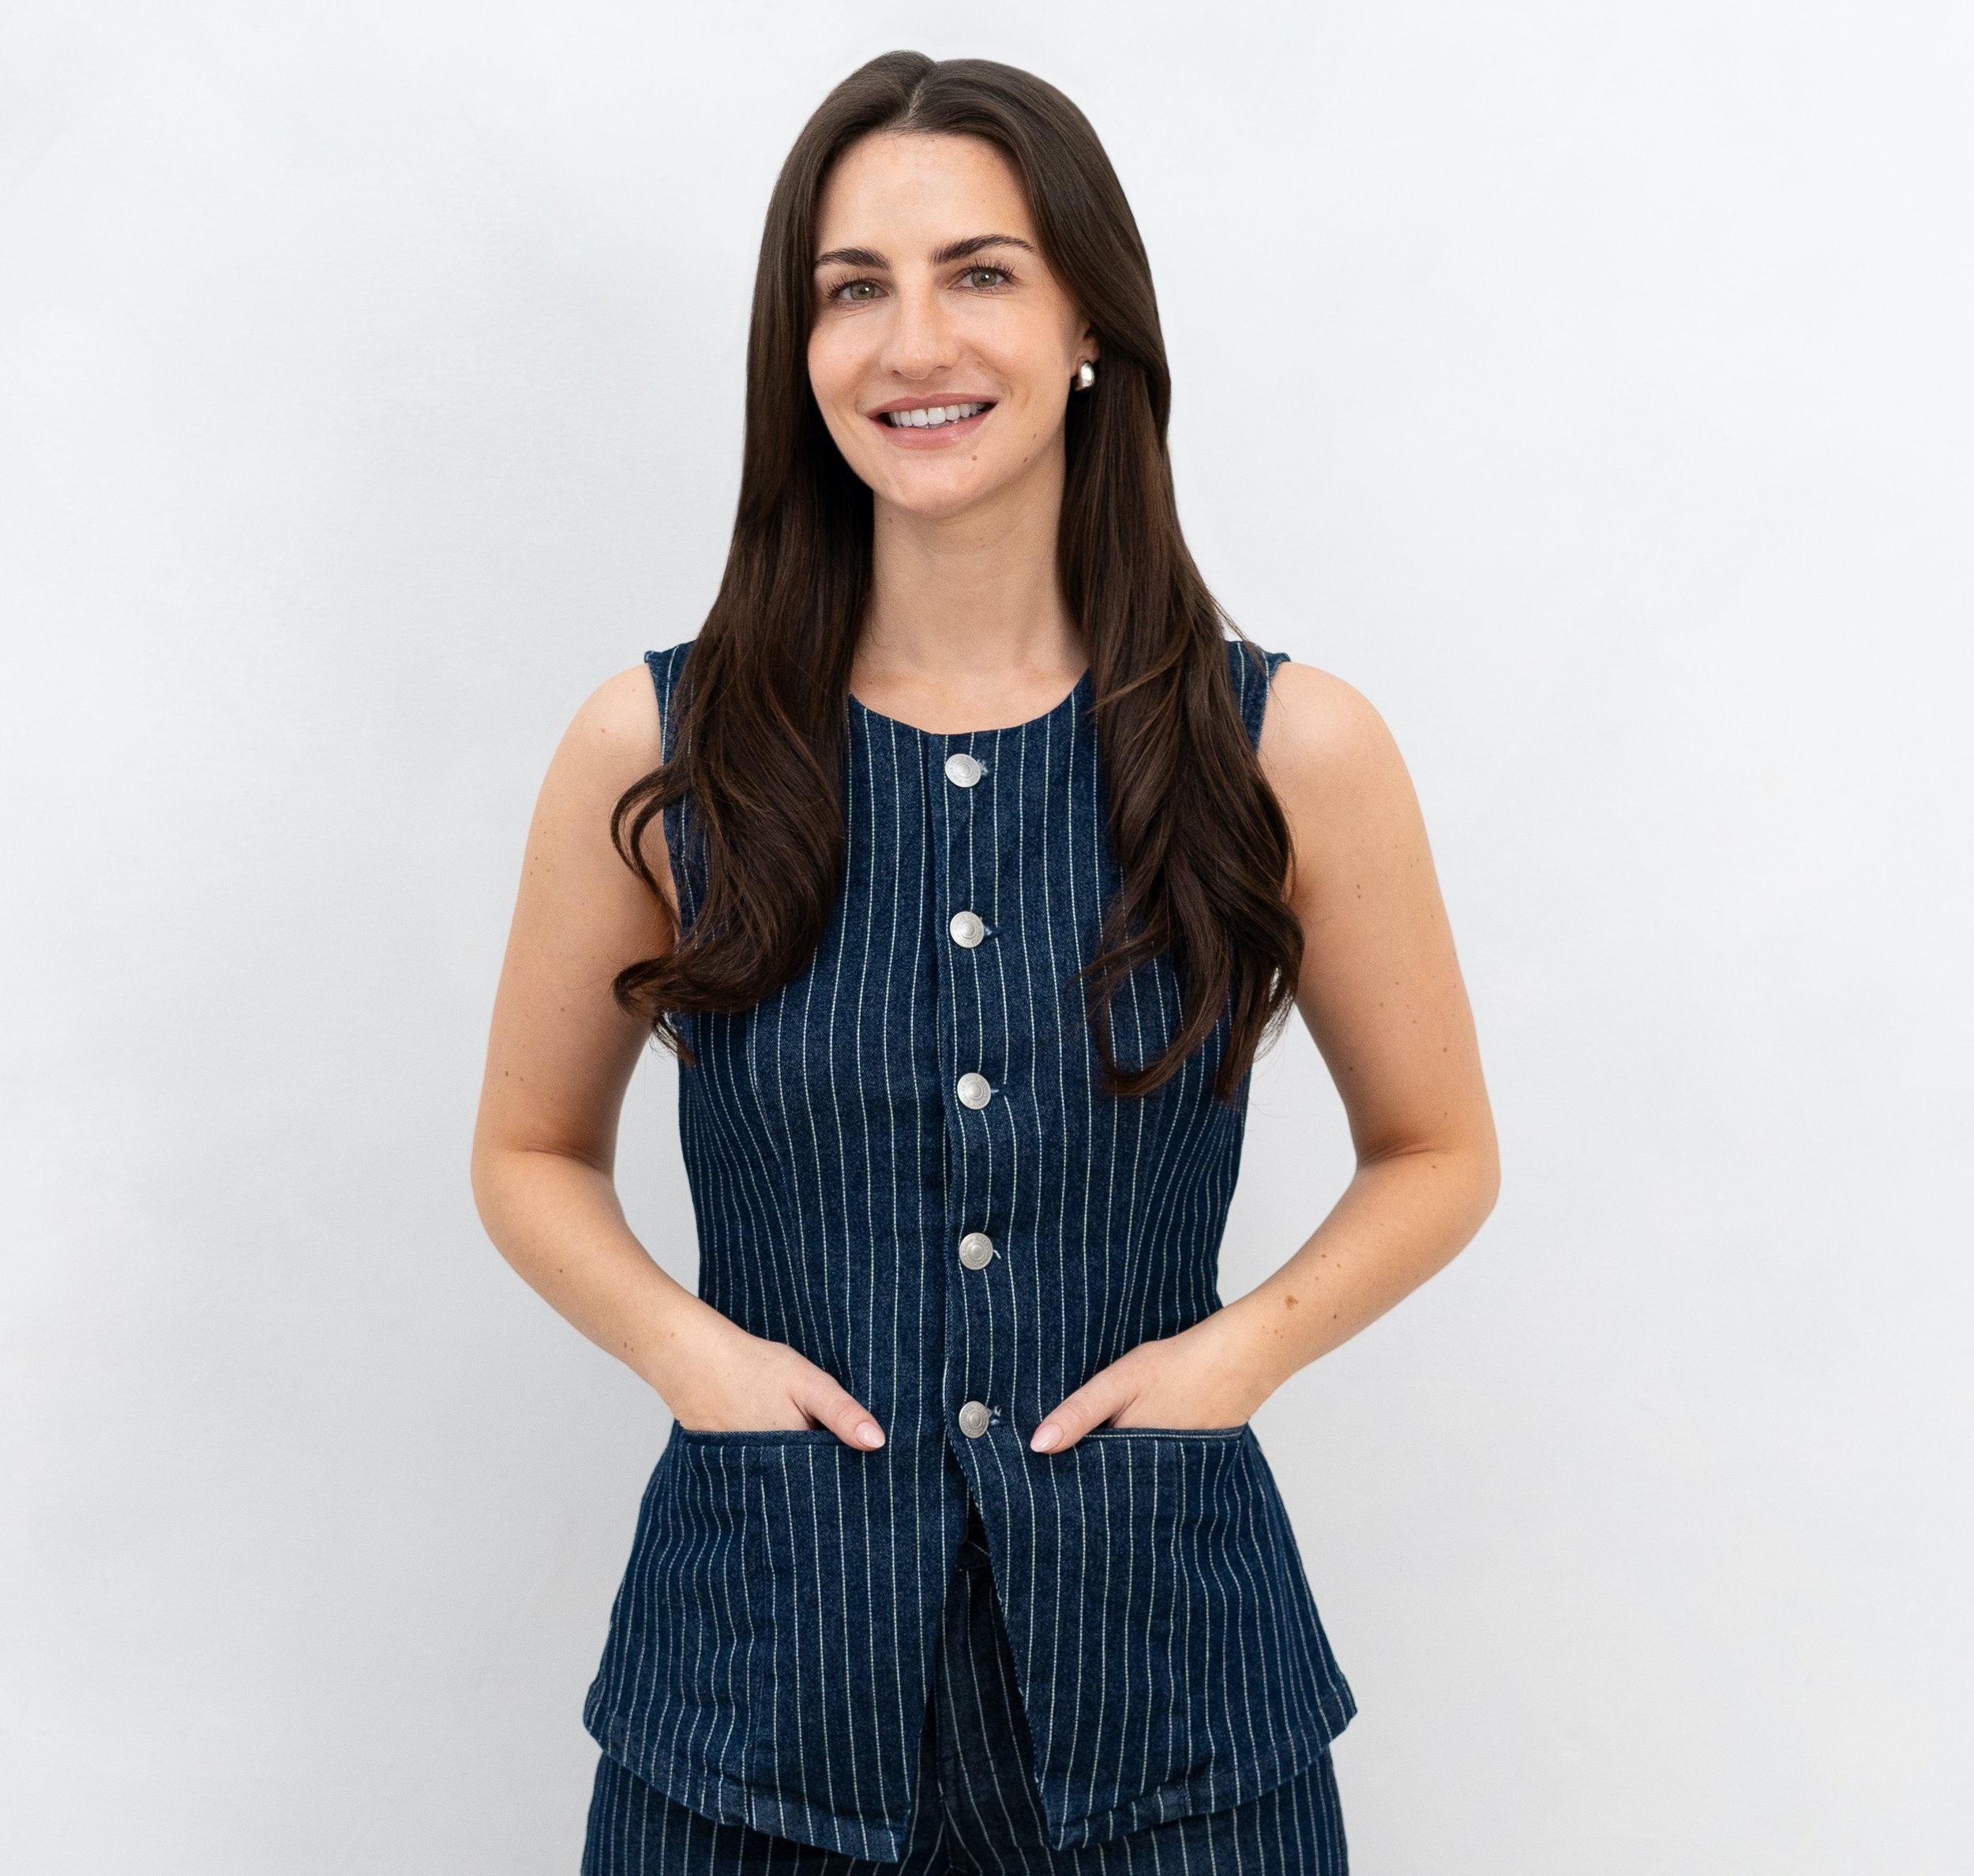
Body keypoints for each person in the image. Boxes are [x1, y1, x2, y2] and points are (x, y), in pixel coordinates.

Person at [470, 48, 1499, 1875]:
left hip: (1175, 1702)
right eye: (850, 289)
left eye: (978, 273)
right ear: (798, 356)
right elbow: (528, 1153)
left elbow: (1436, 1152)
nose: (908, 343)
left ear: (1090, 316)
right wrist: (684, 1353)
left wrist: (1225, 1366)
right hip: (752, 1702)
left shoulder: (1284, 751)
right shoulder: (655, 754)